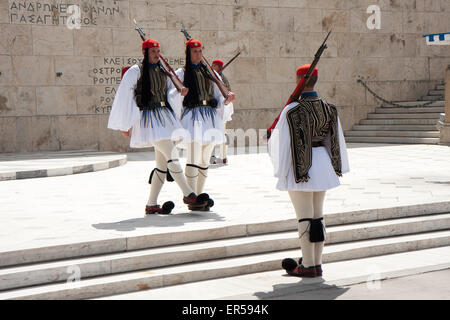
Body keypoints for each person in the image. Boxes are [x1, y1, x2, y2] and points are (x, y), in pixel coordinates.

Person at [107, 38, 210, 215]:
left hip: (164, 118)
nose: (156, 54)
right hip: (149, 120)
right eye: (153, 52)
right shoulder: (135, 71)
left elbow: (171, 93)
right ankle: (188, 194)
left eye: (158, 51)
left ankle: (151, 204)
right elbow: (125, 96)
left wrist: (180, 91)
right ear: (145, 52)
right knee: (172, 155)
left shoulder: (163, 71)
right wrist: (125, 123)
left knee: (162, 165)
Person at [268, 64, 350, 277]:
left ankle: (308, 266)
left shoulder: (292, 109)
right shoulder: (328, 108)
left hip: (300, 165)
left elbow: (281, 143)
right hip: (322, 164)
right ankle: (317, 263)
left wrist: (281, 167)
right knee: (318, 216)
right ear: (316, 80)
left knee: (304, 217)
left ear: (298, 80)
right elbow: (335, 141)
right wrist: (334, 166)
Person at [174, 39, 236, 211]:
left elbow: (219, 95)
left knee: (204, 160)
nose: (198, 54)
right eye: (195, 51)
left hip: (209, 117)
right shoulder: (181, 73)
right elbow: (174, 97)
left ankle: (199, 197)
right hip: (192, 116)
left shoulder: (211, 74)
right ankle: (191, 195)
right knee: (193, 157)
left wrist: (227, 98)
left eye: (200, 51)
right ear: (188, 53)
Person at [210, 59, 234, 165]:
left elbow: (226, 93)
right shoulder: (216, 77)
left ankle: (223, 156)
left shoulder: (221, 79)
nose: (211, 67)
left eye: (214, 65)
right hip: (218, 107)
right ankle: (213, 155)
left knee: (222, 132)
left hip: (223, 107)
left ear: (219, 67)